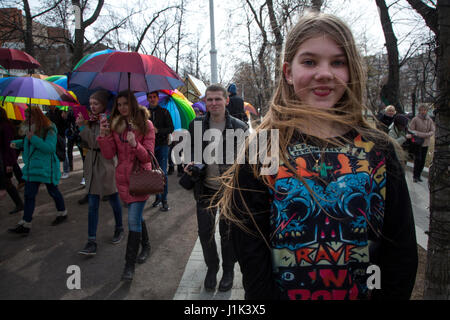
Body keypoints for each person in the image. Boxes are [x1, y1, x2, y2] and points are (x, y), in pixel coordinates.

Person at [215, 13, 418, 300]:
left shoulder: (379, 149)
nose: (324, 73)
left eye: (338, 62)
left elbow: (400, 251)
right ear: (288, 72)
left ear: (351, 71)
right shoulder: (262, 149)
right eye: (309, 62)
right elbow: (251, 251)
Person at [184, 84, 248, 292]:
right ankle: (212, 267)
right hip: (205, 188)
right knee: (205, 232)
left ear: (226, 100)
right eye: (209, 100)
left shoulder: (239, 127)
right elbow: (188, 151)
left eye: (217, 99)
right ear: (205, 102)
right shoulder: (196, 125)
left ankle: (228, 270)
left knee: (228, 233)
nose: (213, 103)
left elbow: (248, 162)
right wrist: (190, 164)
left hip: (229, 191)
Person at [97, 90, 155, 281]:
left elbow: (148, 156)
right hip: (122, 180)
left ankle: (128, 266)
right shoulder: (116, 126)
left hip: (140, 178)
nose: (122, 108)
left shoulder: (146, 125)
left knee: (132, 220)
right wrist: (104, 136)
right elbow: (108, 154)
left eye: (125, 104)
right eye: (119, 104)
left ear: (133, 104)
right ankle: (146, 244)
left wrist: (134, 144)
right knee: (135, 216)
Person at [76, 90, 124, 256]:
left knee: (113, 197)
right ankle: (91, 241)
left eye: (95, 103)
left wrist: (85, 127)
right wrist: (83, 125)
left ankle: (119, 228)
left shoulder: (109, 121)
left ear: (103, 105)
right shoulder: (90, 121)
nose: (92, 107)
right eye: (90, 104)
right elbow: (89, 141)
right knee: (92, 204)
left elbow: (97, 142)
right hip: (92, 163)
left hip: (107, 163)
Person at [8, 106, 67, 236]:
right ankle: (25, 223)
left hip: (46, 168)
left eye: (30, 116)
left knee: (53, 191)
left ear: (37, 115)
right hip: (32, 168)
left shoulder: (49, 128)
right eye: (26, 116)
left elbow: (50, 148)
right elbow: (27, 142)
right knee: (29, 196)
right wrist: (14, 143)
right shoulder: (29, 129)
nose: (27, 118)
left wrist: (33, 138)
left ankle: (62, 212)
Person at [147, 91, 174, 212]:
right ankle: (157, 198)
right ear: (147, 99)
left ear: (158, 98)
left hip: (162, 145)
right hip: (149, 147)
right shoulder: (143, 113)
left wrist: (159, 131)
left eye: (154, 97)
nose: (152, 99)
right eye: (150, 97)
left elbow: (171, 128)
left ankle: (164, 200)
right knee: (153, 174)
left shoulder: (164, 112)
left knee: (162, 173)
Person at [0, 107, 24, 214]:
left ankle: (19, 204)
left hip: (5, 160)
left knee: (7, 183)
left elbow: (9, 146)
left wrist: (10, 163)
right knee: (8, 183)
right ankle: (19, 204)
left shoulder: (6, 127)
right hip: (3, 159)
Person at [409, 104, 435, 183]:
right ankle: (415, 176)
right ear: (419, 110)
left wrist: (426, 134)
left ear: (427, 111)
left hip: (426, 143)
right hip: (418, 143)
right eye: (421, 110)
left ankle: (419, 175)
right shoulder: (415, 119)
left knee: (423, 160)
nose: (423, 111)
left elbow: (432, 130)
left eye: (425, 110)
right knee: (418, 159)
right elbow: (412, 130)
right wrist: (423, 134)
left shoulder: (429, 120)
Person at [46, 105, 69, 179]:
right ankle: (56, 171)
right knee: (54, 153)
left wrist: (65, 118)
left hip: (60, 135)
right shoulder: (48, 114)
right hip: (51, 136)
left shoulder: (60, 112)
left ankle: (66, 171)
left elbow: (66, 124)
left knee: (63, 152)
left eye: (49, 105)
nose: (48, 106)